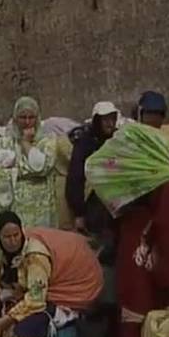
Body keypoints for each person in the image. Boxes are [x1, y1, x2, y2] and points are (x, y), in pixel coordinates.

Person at [85, 120, 169, 337]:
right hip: (151, 243)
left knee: (132, 295)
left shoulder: (138, 169)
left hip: (132, 236)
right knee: (146, 296)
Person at [0, 96, 58, 228]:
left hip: (40, 208)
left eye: (31, 117)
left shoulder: (47, 142)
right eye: (22, 117)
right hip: (13, 207)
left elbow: (42, 168)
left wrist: (25, 143)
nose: (27, 122)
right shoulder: (5, 143)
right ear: (15, 119)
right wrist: (24, 170)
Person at [67, 102, 119, 239]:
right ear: (97, 121)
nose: (110, 124)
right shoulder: (85, 143)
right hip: (95, 205)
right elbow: (75, 178)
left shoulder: (118, 141)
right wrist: (79, 213)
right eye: (106, 120)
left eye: (113, 119)